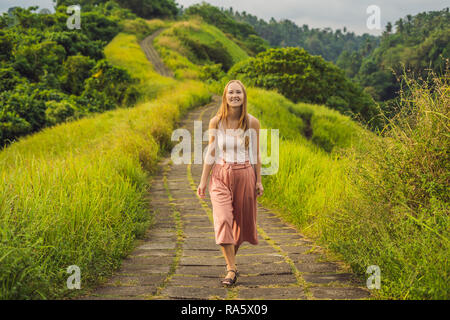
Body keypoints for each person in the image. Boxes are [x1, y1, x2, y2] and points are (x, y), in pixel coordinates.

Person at [197, 79, 264, 287]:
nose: (235, 96)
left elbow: (256, 154)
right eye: (231, 92)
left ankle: (230, 264)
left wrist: (259, 180)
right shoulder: (216, 121)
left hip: (245, 174)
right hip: (220, 175)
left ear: (244, 97)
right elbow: (211, 152)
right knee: (223, 219)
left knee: (241, 226)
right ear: (225, 97)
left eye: (238, 92)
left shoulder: (252, 122)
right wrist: (202, 181)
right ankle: (231, 270)